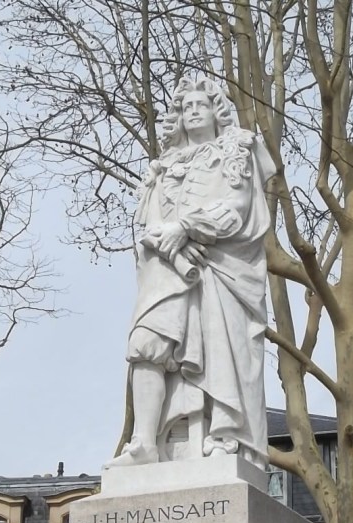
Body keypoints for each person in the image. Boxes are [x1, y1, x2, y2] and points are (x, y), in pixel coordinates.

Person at [107, 76, 275, 468]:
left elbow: (237, 209)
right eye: (185, 107)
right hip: (165, 269)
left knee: (218, 352)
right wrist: (165, 240)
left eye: (201, 104)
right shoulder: (162, 167)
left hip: (219, 271)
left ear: (218, 112)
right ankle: (145, 442)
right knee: (145, 345)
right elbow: (148, 223)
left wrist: (187, 229)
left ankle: (224, 435)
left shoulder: (238, 149)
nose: (193, 111)